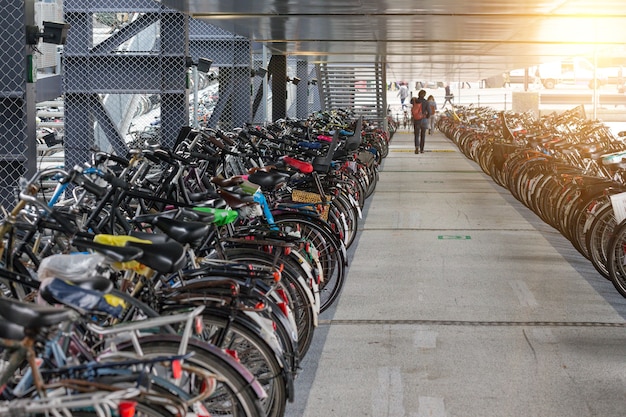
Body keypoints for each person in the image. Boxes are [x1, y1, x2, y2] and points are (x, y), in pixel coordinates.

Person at [411, 90, 430, 154]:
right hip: (424, 119)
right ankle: (422, 149)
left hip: (416, 120)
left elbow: (411, 102)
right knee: (423, 135)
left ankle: (416, 148)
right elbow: (429, 112)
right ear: (424, 95)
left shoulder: (415, 101)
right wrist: (427, 117)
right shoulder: (426, 102)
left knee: (416, 135)